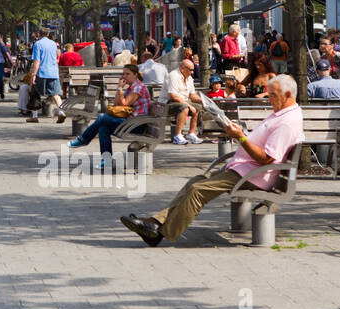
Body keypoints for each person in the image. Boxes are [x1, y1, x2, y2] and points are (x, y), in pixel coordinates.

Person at [122, 75, 304, 246]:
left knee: (197, 190)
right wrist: (238, 131)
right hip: (245, 169)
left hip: (254, 175)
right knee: (196, 181)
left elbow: (266, 158)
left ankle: (162, 233)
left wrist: (241, 137)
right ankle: (155, 223)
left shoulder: (287, 122)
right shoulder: (282, 112)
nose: (268, 99)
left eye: (272, 95)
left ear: (288, 95)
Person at [69, 63, 150, 168]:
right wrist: (118, 88)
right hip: (130, 123)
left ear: (135, 75)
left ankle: (83, 139)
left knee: (102, 117)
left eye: (127, 74)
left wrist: (120, 89)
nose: (124, 76)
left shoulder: (138, 87)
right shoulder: (131, 87)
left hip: (137, 124)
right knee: (103, 128)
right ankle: (106, 160)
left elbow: (125, 103)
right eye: (123, 74)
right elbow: (117, 103)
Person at [161, 56, 206, 144]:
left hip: (182, 101)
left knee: (198, 107)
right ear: (182, 69)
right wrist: (189, 105)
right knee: (184, 107)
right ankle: (177, 136)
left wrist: (203, 100)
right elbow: (173, 96)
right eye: (190, 70)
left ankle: (191, 134)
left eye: (193, 70)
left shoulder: (189, 78)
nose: (192, 72)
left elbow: (192, 95)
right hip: (167, 103)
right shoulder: (173, 75)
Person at [27, 29, 66, 122]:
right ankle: (61, 112)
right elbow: (56, 57)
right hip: (53, 72)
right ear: (48, 34)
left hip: (42, 72)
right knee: (55, 94)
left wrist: (34, 74)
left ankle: (34, 116)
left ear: (38, 34)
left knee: (34, 93)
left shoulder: (38, 44)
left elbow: (37, 61)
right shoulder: (53, 44)